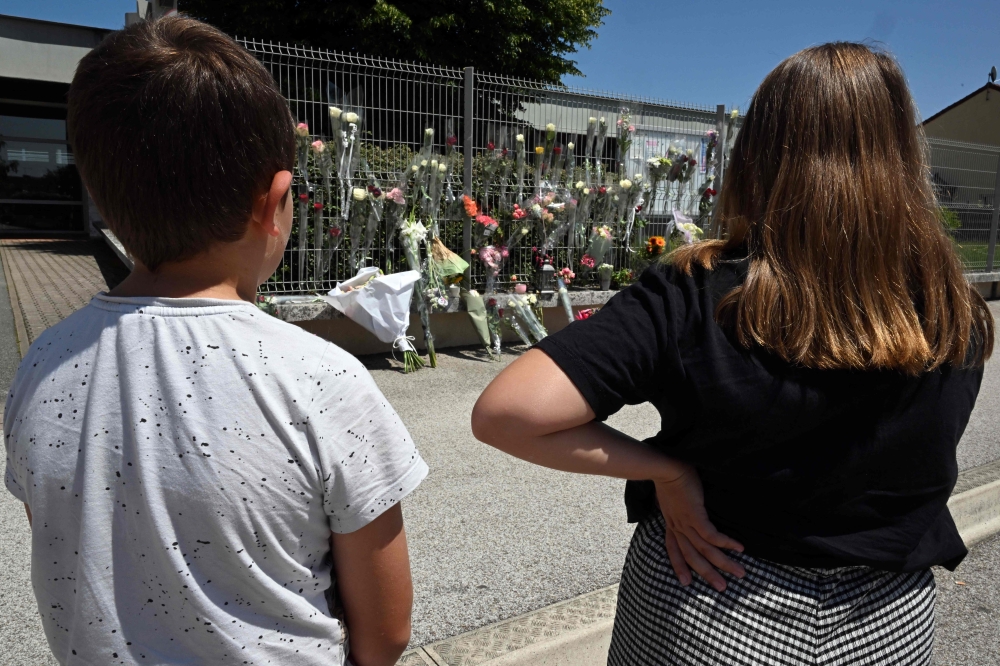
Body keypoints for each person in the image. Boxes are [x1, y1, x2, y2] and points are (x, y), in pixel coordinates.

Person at [472, 42, 993, 666]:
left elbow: (509, 412)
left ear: (758, 155)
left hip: (709, 601)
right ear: (904, 158)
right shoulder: (953, 309)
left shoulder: (698, 293)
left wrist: (666, 470)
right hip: (886, 623)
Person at [3, 17, 426, 666]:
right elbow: (387, 631)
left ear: (102, 201)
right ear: (276, 201)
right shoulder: (322, 381)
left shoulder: (42, 363)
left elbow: (71, 545)